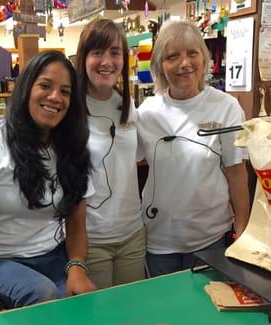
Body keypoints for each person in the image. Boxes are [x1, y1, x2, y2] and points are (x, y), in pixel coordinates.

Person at [0, 51, 96, 312]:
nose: (55, 97)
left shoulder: (72, 148)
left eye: (65, 91)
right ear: (26, 88)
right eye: (45, 85)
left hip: (53, 256)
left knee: (85, 306)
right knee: (43, 295)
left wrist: (76, 267)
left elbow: (76, 221)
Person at [137, 20, 250, 277]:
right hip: (158, 241)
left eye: (192, 53)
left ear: (204, 58)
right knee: (164, 313)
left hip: (210, 238)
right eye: (172, 56)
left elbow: (236, 173)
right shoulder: (146, 113)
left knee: (208, 312)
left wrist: (242, 227)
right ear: (160, 66)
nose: (184, 63)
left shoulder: (226, 107)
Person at [75, 19, 145, 289]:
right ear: (83, 57)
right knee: (100, 321)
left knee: (130, 316)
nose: (107, 61)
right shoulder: (71, 109)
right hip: (91, 240)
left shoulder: (126, 105)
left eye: (115, 53)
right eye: (97, 52)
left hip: (132, 234)